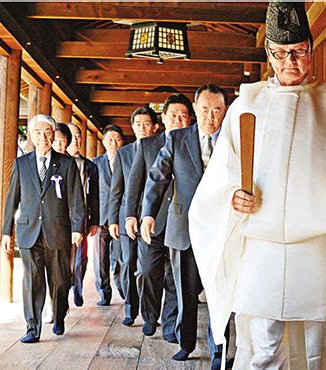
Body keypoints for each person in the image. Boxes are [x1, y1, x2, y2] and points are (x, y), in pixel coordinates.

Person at [188, 2, 326, 369]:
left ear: (310, 51)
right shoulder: (245, 105)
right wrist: (234, 197)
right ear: (269, 54)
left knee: (316, 348)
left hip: (314, 250)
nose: (290, 63)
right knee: (264, 348)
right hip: (261, 249)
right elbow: (217, 183)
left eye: (298, 52)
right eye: (280, 54)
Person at [140, 85, 230, 366]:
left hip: (222, 229)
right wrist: (148, 214)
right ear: (195, 110)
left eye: (217, 110)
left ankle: (219, 349)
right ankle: (186, 343)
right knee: (185, 292)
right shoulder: (178, 138)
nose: (210, 117)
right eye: (204, 110)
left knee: (219, 293)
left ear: (224, 111)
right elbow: (158, 177)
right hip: (183, 227)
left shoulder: (233, 139)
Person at [1, 114, 84, 343]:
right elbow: (12, 199)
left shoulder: (66, 164)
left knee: (59, 280)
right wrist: (6, 231)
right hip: (29, 231)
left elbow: (77, 198)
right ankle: (32, 328)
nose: (43, 137)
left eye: (47, 132)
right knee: (32, 280)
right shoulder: (22, 163)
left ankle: (59, 315)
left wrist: (78, 227)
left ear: (54, 134)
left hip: (57, 230)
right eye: (37, 132)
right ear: (31, 135)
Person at [124, 94, 192, 342]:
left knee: (177, 277)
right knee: (147, 271)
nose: (178, 119)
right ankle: (150, 317)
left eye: (183, 115)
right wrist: (131, 214)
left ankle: (171, 324)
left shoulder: (195, 144)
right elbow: (135, 183)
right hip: (151, 222)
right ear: (163, 119)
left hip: (182, 223)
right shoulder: (148, 144)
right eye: (173, 115)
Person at [108, 107, 159, 326]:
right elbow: (116, 189)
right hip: (127, 217)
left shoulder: (162, 147)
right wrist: (113, 220)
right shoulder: (124, 153)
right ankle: (131, 308)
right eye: (138, 124)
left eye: (146, 124)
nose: (142, 128)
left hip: (152, 216)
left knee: (149, 267)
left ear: (155, 127)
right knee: (128, 262)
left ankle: (151, 311)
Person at [67, 122, 99, 307]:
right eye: (72, 135)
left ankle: (77, 289)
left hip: (82, 220)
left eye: (79, 135)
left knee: (80, 259)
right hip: (62, 220)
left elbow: (94, 195)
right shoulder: (58, 163)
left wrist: (94, 220)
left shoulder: (89, 166)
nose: (77, 139)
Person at [92, 124, 124, 306]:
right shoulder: (95, 163)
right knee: (100, 260)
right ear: (104, 142)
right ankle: (104, 293)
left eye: (117, 139)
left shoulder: (128, 160)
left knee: (121, 258)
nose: (114, 143)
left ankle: (122, 287)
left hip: (120, 218)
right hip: (100, 218)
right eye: (110, 140)